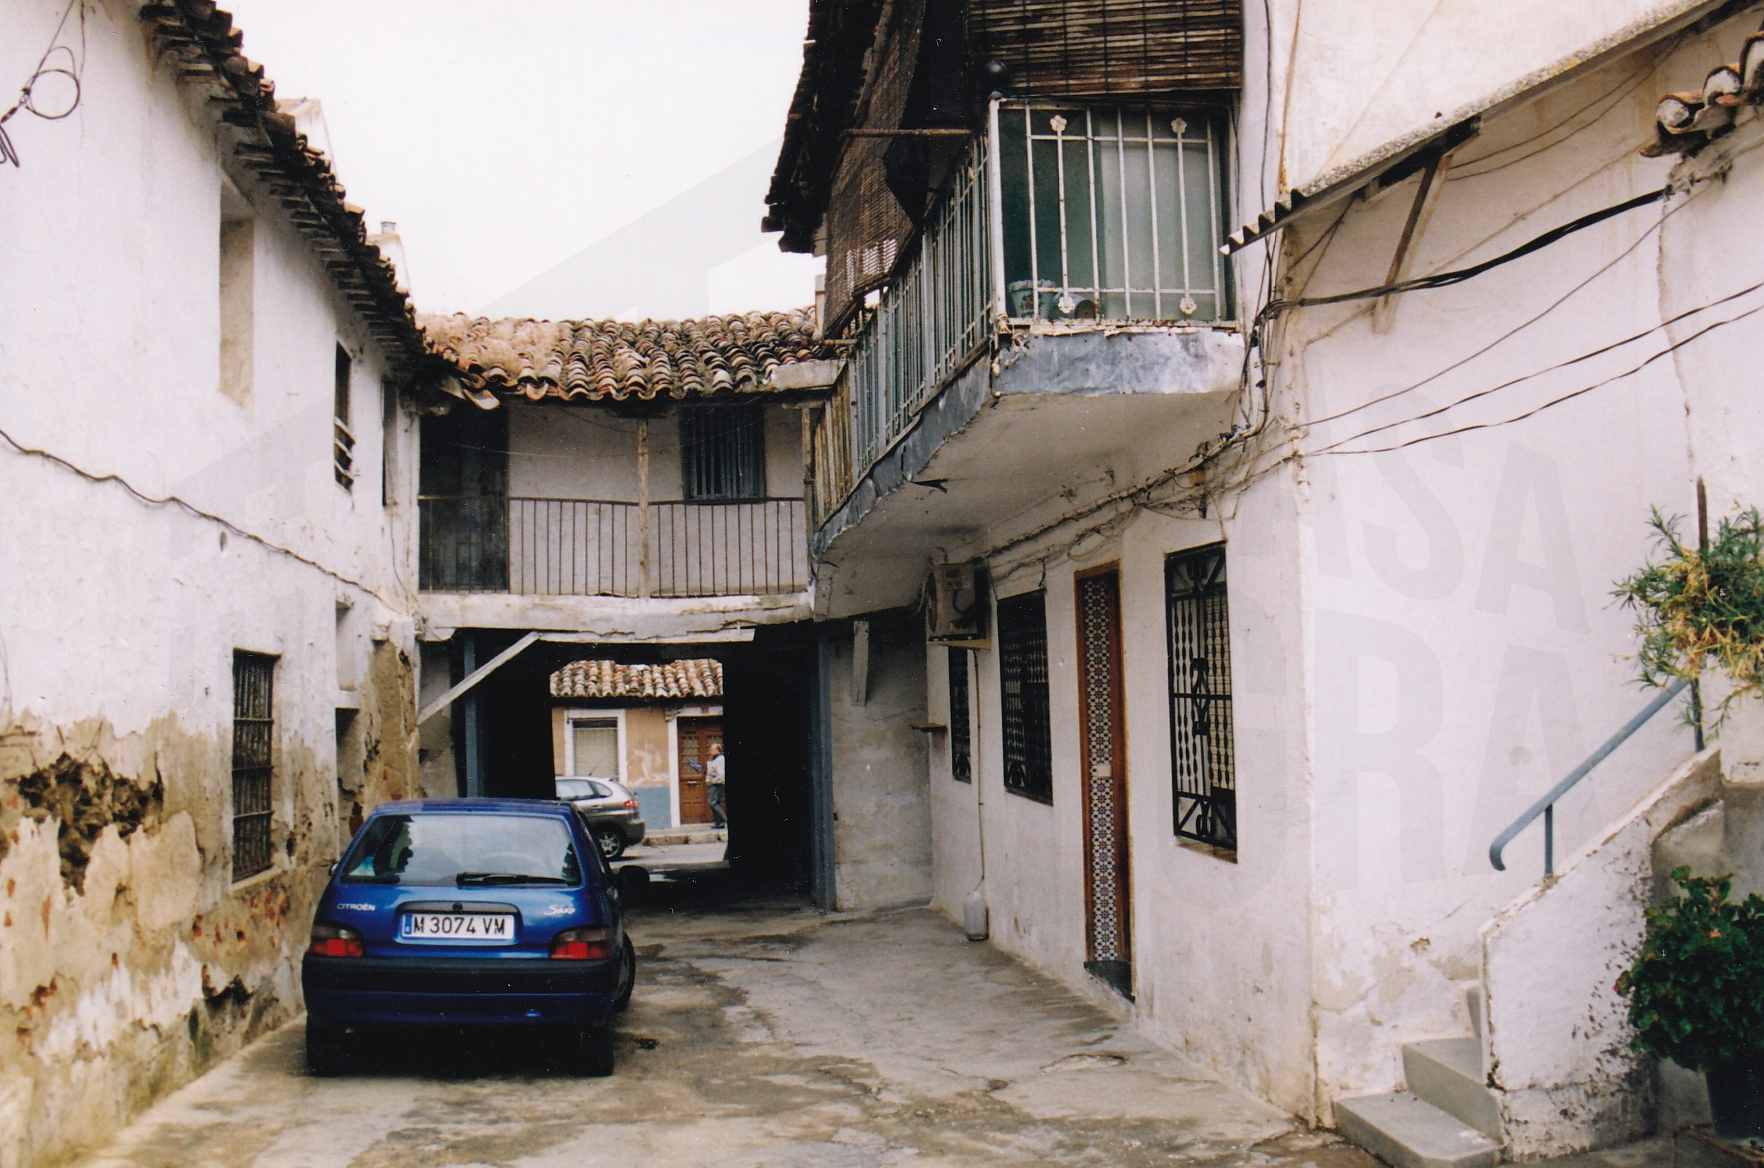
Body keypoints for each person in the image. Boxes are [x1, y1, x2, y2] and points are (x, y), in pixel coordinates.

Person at [706, 742, 727, 829]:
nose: (710, 750)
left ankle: (724, 819)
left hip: (717, 784)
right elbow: (712, 771)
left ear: (717, 750)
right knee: (715, 803)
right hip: (715, 784)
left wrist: (712, 781)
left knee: (712, 803)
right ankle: (719, 824)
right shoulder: (714, 759)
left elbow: (721, 775)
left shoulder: (720, 759)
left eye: (712, 749)